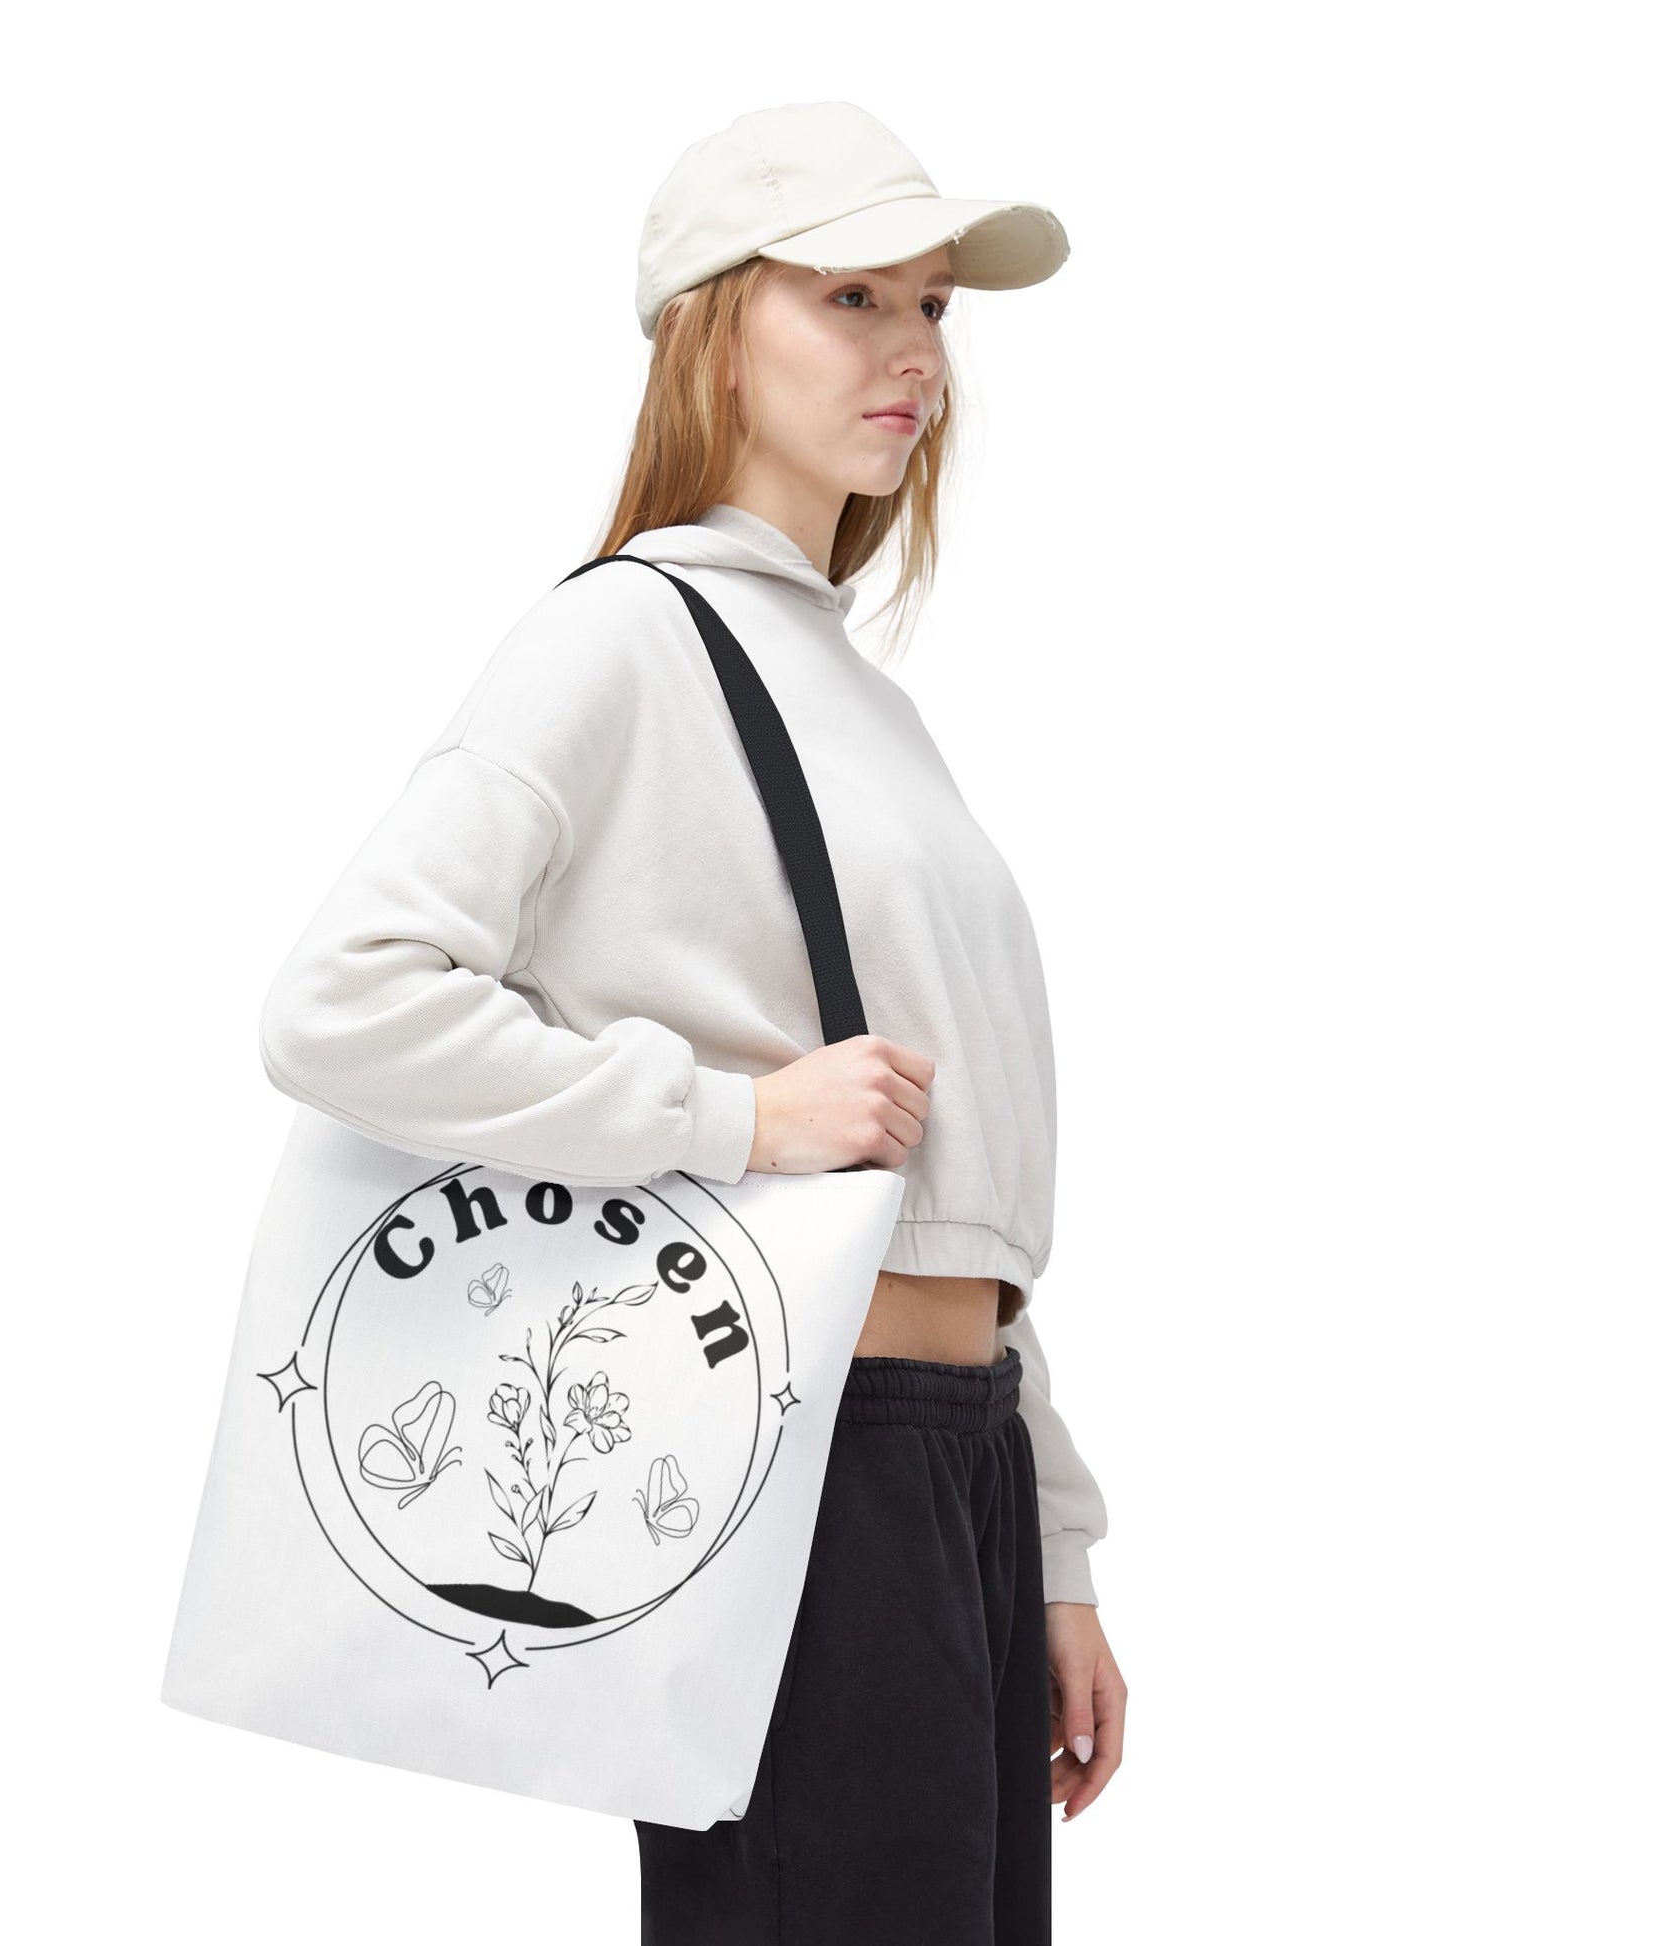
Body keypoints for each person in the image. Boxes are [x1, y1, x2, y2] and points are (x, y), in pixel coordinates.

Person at [256, 100, 1126, 1944]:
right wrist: (735, 1118)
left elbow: (951, 1184)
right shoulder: (620, 639)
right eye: (851, 296)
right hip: (803, 1462)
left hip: (947, 1458)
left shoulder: (862, 699)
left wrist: (1049, 1544)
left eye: (933, 306)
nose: (913, 349)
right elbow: (341, 1004)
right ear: (715, 331)